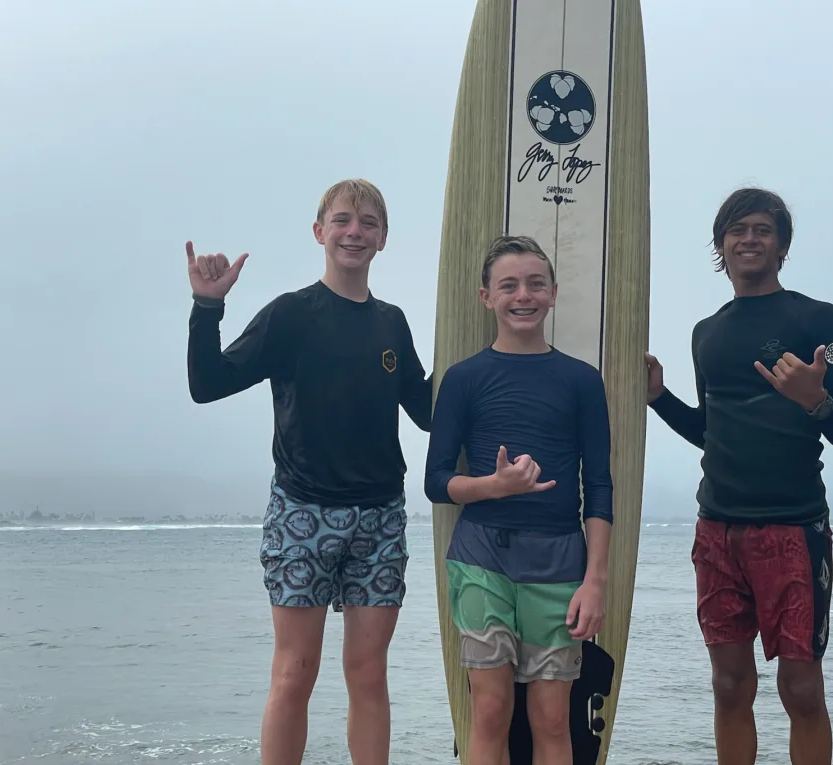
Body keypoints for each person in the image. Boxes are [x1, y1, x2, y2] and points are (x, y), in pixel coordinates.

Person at [185, 178, 432, 765]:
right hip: (303, 512)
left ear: (384, 239)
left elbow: (428, 413)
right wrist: (207, 306)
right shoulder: (291, 315)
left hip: (380, 518)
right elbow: (207, 385)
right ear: (320, 232)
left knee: (369, 675)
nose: (355, 231)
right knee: (295, 672)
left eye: (368, 222)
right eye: (343, 220)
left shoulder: (391, 323)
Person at [645, 187, 833, 765]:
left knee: (801, 691)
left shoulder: (819, 320)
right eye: (737, 230)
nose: (749, 239)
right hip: (718, 529)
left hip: (793, 529)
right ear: (721, 245)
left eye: (763, 230)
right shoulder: (707, 331)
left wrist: (814, 402)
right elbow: (709, 431)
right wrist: (659, 398)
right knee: (728, 687)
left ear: (783, 246)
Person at [424, 235, 614, 765]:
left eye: (535, 284)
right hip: (482, 557)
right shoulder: (463, 379)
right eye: (508, 285)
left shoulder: (581, 380)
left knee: (554, 718)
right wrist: (494, 486)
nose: (522, 295)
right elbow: (436, 481)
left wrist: (594, 581)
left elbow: (598, 486)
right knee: (490, 711)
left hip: (559, 562)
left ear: (553, 294)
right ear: (487, 297)